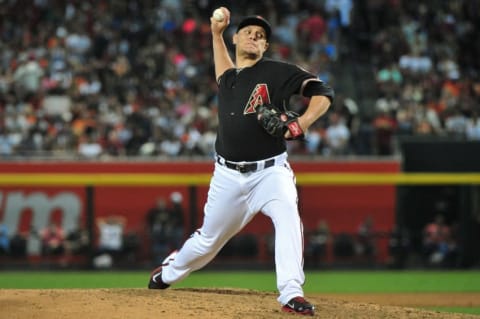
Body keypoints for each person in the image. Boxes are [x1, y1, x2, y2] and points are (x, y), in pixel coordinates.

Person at [148, 8, 334, 316]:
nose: (254, 36)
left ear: (265, 47)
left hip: (270, 172)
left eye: (261, 36)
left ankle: (291, 292)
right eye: (248, 31)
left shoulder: (277, 72)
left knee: (287, 214)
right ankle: (168, 273)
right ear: (236, 38)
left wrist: (303, 122)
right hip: (227, 177)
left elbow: (323, 92)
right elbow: (223, 69)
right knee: (208, 240)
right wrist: (215, 34)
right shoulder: (229, 79)